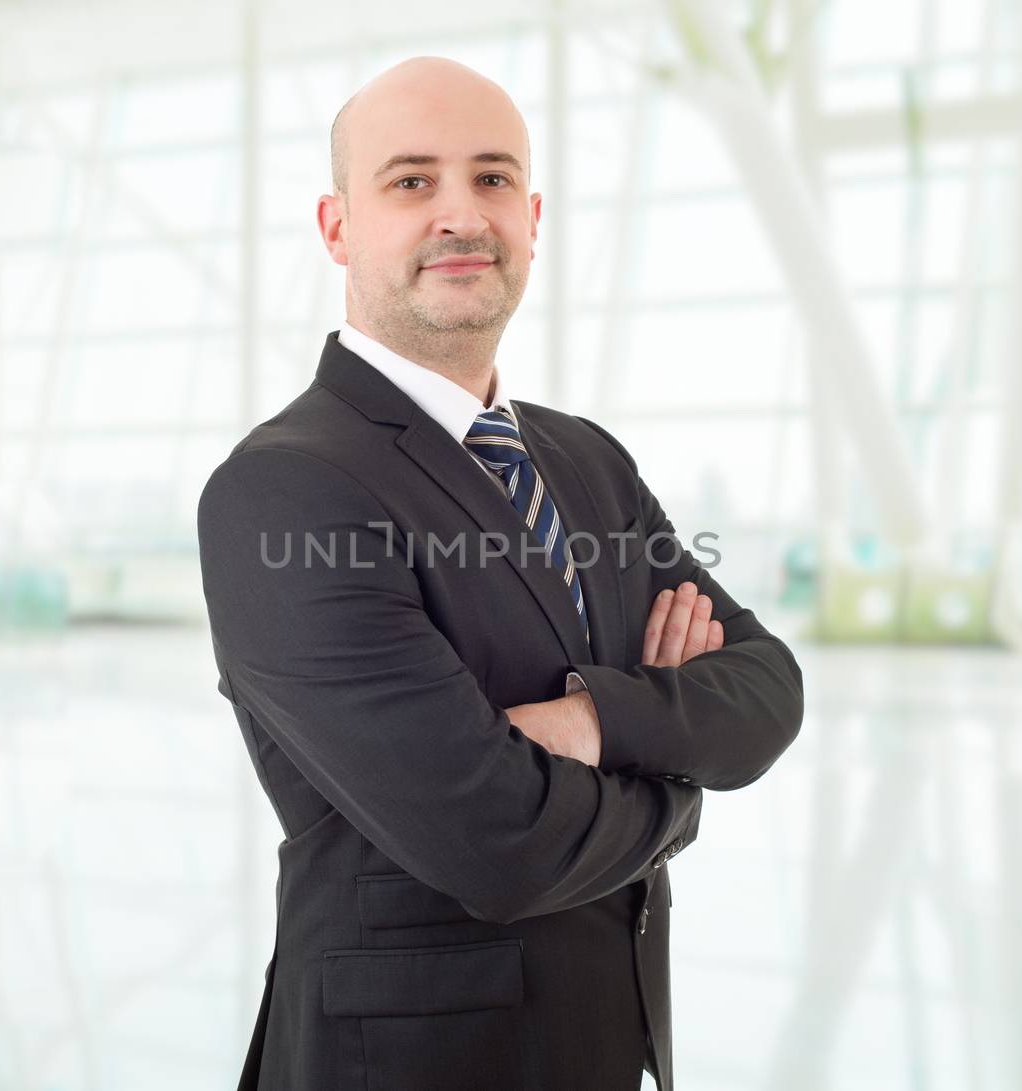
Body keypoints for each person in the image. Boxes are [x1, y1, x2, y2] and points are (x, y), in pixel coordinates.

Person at [196, 55, 803, 1091]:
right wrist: (678, 779)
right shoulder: (285, 489)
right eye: (410, 181)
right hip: (403, 1062)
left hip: (606, 1047)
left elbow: (766, 687)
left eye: (489, 179)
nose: (459, 213)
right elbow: (495, 841)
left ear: (530, 217)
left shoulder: (583, 459)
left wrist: (590, 724)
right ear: (338, 227)